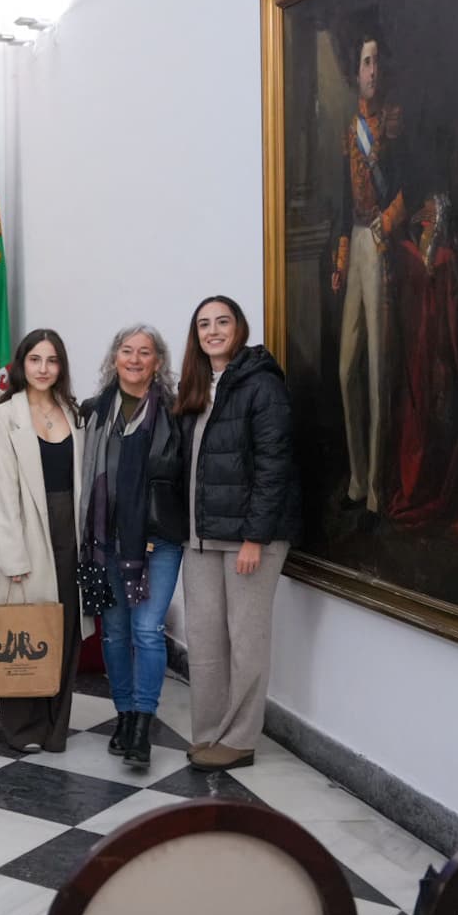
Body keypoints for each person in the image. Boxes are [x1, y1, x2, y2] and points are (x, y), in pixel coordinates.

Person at [175, 296, 301, 772]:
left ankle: (241, 739)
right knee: (205, 639)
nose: (212, 331)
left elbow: (274, 465)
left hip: (250, 538)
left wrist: (255, 538)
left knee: (246, 639)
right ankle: (210, 733)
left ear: (239, 328)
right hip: (200, 536)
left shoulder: (262, 384)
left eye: (222, 322)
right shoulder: (196, 385)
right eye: (203, 324)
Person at [78, 324, 186, 768]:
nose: (135, 359)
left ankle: (142, 724)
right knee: (116, 632)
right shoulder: (93, 411)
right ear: (114, 358)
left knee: (147, 630)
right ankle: (123, 715)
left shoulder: (176, 413)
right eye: (127, 350)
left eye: (145, 352)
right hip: (106, 542)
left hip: (157, 540)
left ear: (157, 362)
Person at [0, 328, 87, 754]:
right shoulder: (4, 416)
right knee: (24, 628)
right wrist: (13, 556)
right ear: (21, 364)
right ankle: (23, 728)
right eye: (35, 359)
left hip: (71, 533)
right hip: (26, 531)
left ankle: (56, 726)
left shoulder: (74, 413)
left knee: (65, 628)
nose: (43, 368)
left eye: (52, 360)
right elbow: (3, 492)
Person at [330, 28, 403, 517]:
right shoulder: (348, 128)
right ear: (355, 73)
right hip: (355, 243)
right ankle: (357, 479)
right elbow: (342, 200)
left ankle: (376, 490)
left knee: (377, 372)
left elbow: (409, 185)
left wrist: (387, 224)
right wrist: (340, 260)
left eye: (377, 61)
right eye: (365, 62)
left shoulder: (394, 123)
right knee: (346, 370)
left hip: (379, 242)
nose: (372, 71)